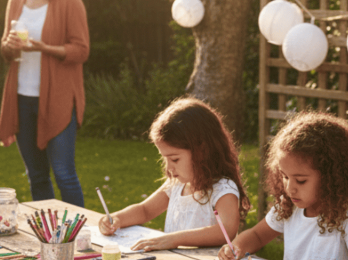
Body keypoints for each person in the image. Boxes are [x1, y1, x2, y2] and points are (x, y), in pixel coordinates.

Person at [218, 111, 348, 260]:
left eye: (301, 180)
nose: (290, 188)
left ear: (331, 177)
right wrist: (236, 248)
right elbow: (257, 236)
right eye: (284, 176)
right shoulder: (288, 207)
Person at [0, 0, 89, 207]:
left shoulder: (68, 0)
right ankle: (49, 236)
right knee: (36, 175)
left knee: (64, 173)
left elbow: (81, 49)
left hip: (59, 99)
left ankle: (80, 235)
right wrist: (10, 45)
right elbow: (5, 49)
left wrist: (44, 48)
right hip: (22, 98)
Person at [98, 97, 250, 251]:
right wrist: (116, 218)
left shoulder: (222, 189)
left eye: (175, 159)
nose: (169, 167)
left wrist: (175, 239)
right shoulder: (177, 185)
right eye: (165, 159)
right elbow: (145, 210)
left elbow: (226, 231)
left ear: (202, 151)